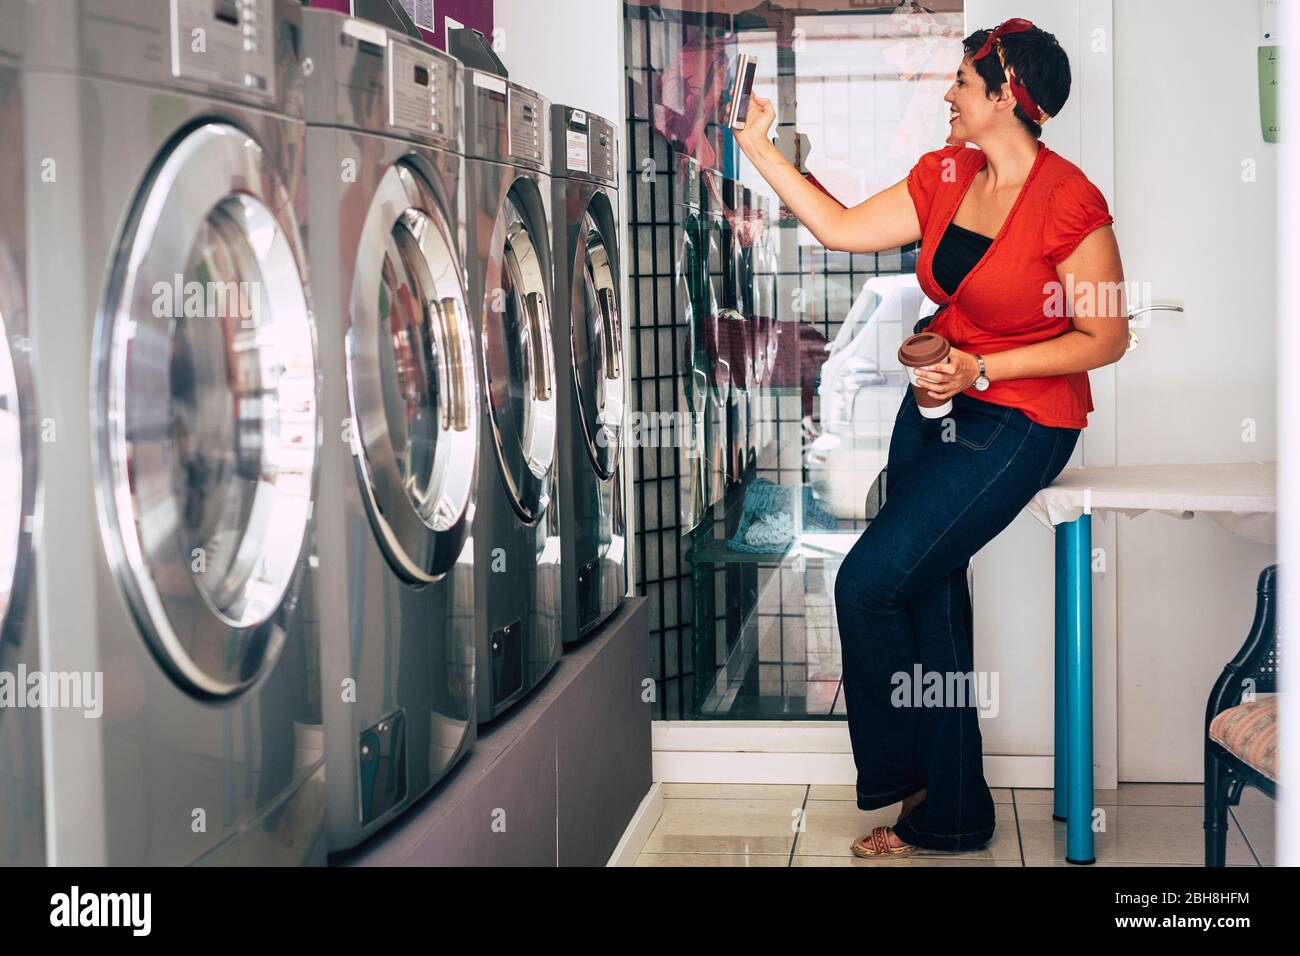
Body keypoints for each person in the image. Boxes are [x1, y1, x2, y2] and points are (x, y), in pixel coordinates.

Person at [732, 18, 1127, 856]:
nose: (948, 92)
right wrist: (761, 152)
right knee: (927, 597)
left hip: (1022, 421)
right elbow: (839, 228)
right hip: (937, 404)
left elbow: (1105, 337)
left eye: (962, 81)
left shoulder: (1070, 200)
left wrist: (985, 369)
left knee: (867, 582)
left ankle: (909, 781)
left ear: (1007, 93)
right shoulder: (946, 175)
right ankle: (951, 812)